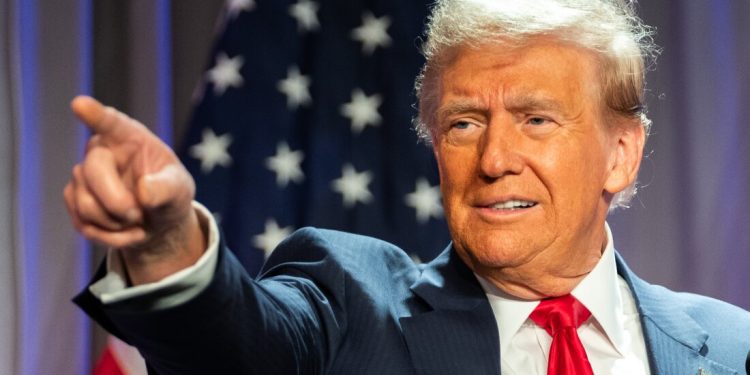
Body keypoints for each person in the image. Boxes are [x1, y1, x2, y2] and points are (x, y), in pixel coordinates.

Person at [67, 0, 750, 374]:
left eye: (536, 119)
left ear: (621, 154)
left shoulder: (730, 347)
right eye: (463, 122)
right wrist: (165, 243)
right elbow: (238, 345)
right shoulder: (348, 308)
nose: (494, 158)